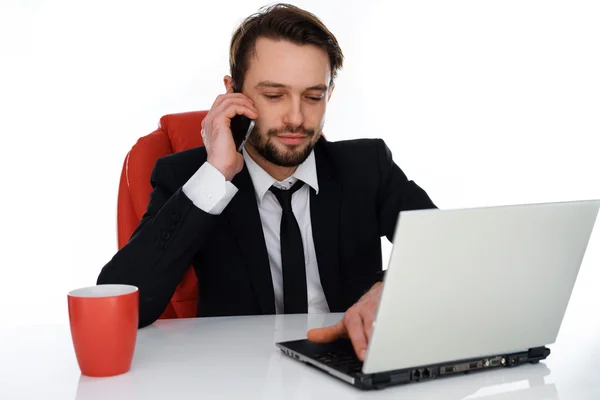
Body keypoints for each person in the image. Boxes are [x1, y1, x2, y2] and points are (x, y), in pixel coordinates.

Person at [97, 3, 436, 361]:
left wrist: (391, 289)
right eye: (274, 96)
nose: (296, 117)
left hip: (350, 367)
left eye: (313, 96)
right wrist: (216, 174)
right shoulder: (190, 177)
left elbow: (448, 252)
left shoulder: (367, 167)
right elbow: (123, 305)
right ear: (233, 92)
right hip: (239, 376)